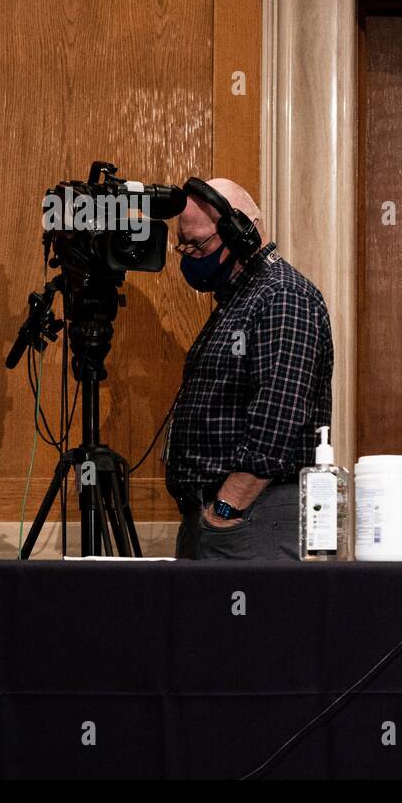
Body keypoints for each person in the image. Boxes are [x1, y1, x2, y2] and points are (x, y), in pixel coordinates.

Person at [165, 177, 333, 560]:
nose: (189, 254)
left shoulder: (282, 296)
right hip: (224, 520)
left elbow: (280, 415)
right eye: (183, 244)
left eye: (199, 243)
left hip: (252, 519)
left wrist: (226, 510)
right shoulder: (239, 299)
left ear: (242, 233)